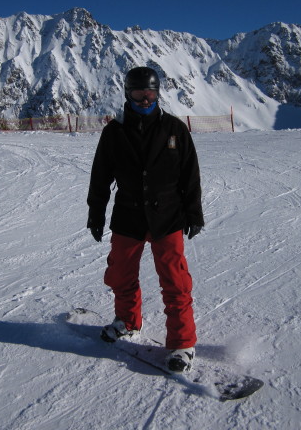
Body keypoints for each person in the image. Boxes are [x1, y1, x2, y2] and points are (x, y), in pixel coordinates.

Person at [87, 66, 204, 373]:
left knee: (175, 280)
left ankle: (181, 343)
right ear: (128, 94)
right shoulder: (114, 132)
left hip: (168, 216)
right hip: (128, 215)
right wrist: (96, 214)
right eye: (138, 94)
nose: (144, 99)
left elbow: (190, 176)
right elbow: (100, 177)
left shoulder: (174, 129)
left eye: (150, 94)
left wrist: (194, 213)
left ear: (157, 94)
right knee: (120, 274)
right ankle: (127, 321)